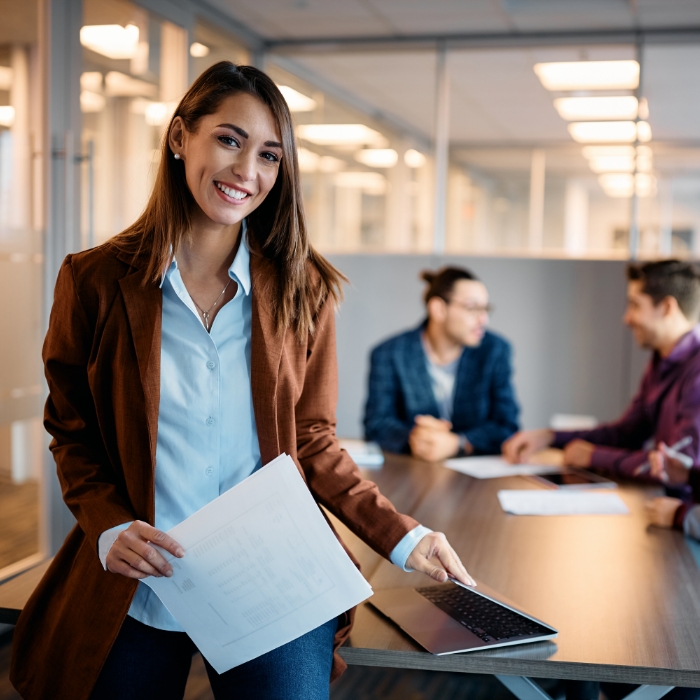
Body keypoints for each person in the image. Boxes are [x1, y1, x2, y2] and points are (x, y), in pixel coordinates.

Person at [10, 63, 474, 700]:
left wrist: (402, 535)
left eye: (269, 155)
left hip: (271, 569)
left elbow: (311, 439)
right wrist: (108, 524)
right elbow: (71, 428)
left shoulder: (303, 290)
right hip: (145, 572)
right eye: (229, 140)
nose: (246, 172)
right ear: (180, 137)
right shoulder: (93, 280)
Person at [503, 260, 700, 478]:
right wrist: (550, 437)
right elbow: (627, 433)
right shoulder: (661, 360)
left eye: (635, 305)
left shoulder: (696, 372)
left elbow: (676, 467)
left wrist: (594, 456)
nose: (627, 318)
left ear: (666, 308)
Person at [364, 266, 519, 461]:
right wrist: (417, 438)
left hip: (474, 479)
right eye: (472, 308)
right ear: (438, 309)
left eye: (485, 309)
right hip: (410, 473)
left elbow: (507, 424)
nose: (483, 319)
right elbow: (376, 424)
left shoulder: (495, 350)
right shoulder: (389, 354)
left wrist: (458, 443)